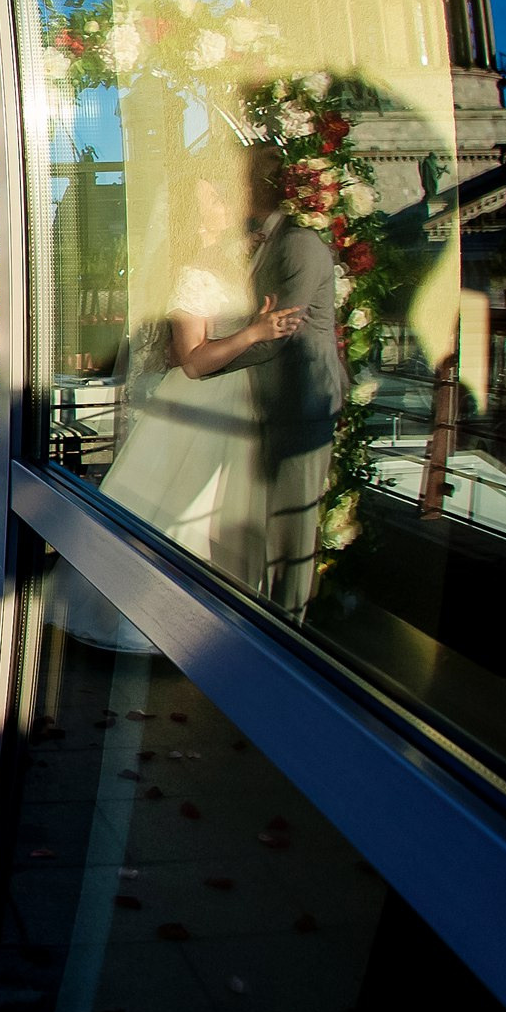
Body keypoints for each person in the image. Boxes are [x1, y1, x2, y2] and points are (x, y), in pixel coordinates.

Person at [57, 166, 304, 651]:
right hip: (202, 397)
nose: (224, 204)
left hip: (240, 398)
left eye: (219, 195)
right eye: (212, 199)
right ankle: (158, 622)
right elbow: (192, 362)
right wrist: (255, 332)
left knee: (220, 511)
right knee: (176, 509)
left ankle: (220, 620)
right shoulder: (193, 274)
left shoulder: (247, 258)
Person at [212, 142, 344, 616]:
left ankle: (291, 634)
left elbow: (276, 335)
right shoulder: (268, 241)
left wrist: (202, 364)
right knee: (270, 524)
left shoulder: (301, 246)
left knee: (293, 531)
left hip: (300, 405)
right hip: (270, 403)